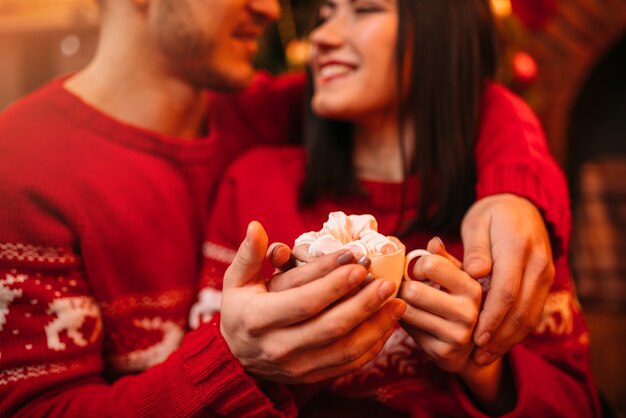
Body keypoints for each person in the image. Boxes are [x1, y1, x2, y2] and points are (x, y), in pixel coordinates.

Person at [0, 0, 563, 416]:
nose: (272, 9)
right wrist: (236, 362)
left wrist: (512, 189)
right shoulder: (18, 165)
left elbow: (445, 88)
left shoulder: (260, 114)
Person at [199, 0, 601, 416]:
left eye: (366, 10)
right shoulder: (252, 186)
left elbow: (579, 403)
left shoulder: (508, 219)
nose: (320, 37)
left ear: (444, 33)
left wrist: (483, 365)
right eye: (324, 15)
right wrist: (274, 361)